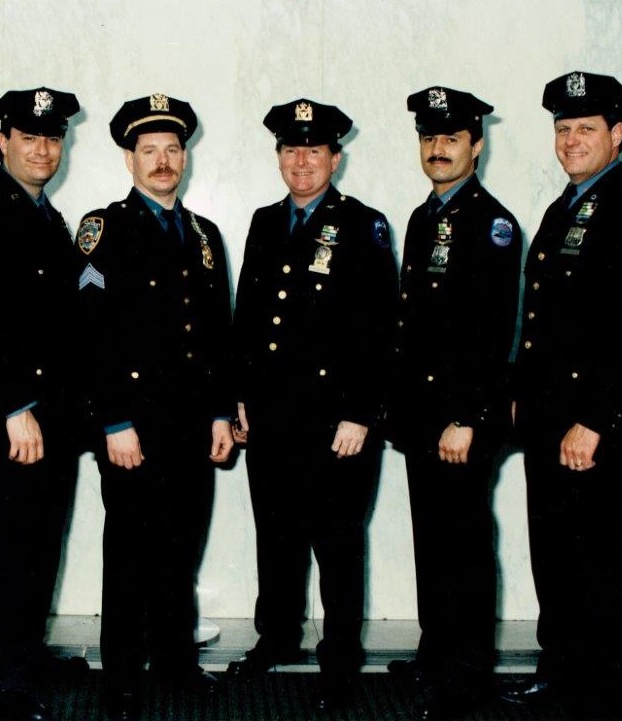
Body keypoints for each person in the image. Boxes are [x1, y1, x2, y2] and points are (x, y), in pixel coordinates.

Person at [226, 99, 398, 710]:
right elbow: (248, 319)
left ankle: (342, 664)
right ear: (278, 157)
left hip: (335, 423)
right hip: (270, 416)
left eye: (314, 149)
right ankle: (275, 639)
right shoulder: (264, 222)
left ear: (336, 157)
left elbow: (380, 330)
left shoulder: (365, 225)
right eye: (290, 149)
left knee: (337, 544)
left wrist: (360, 412)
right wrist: (238, 398)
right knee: (275, 538)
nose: (301, 160)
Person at [74, 93, 234, 721]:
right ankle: (120, 678)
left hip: (193, 426)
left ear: (185, 157)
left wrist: (222, 411)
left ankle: (174, 662)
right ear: (128, 159)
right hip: (132, 428)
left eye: (172, 150)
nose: (163, 161)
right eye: (149, 151)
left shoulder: (203, 235)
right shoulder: (104, 229)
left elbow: (217, 333)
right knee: (131, 555)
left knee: (180, 546)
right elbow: (89, 333)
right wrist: (114, 420)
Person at [504, 71, 622, 721]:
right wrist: (519, 394)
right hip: (547, 418)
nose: (570, 140)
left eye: (585, 128)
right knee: (557, 554)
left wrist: (594, 419)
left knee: (604, 561)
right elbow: (541, 319)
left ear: (618, 134)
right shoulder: (562, 206)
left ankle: (606, 693)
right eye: (563, 128)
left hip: (597, 424)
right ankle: (561, 671)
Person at [0, 87, 87, 721]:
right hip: (13, 414)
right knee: (6, 544)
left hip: (51, 414)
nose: (41, 149)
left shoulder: (46, 215)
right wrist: (13, 407)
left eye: (52, 138)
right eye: (28, 137)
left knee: (38, 541)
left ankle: (24, 651)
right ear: (3, 140)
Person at [384, 86, 522, 720]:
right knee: (433, 539)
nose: (438, 149)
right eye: (429, 138)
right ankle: (437, 653)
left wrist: (468, 416)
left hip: (462, 420)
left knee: (462, 544)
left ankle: (466, 676)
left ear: (477, 145)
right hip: (423, 419)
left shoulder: (491, 224)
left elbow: (493, 334)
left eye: (451, 138)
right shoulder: (423, 217)